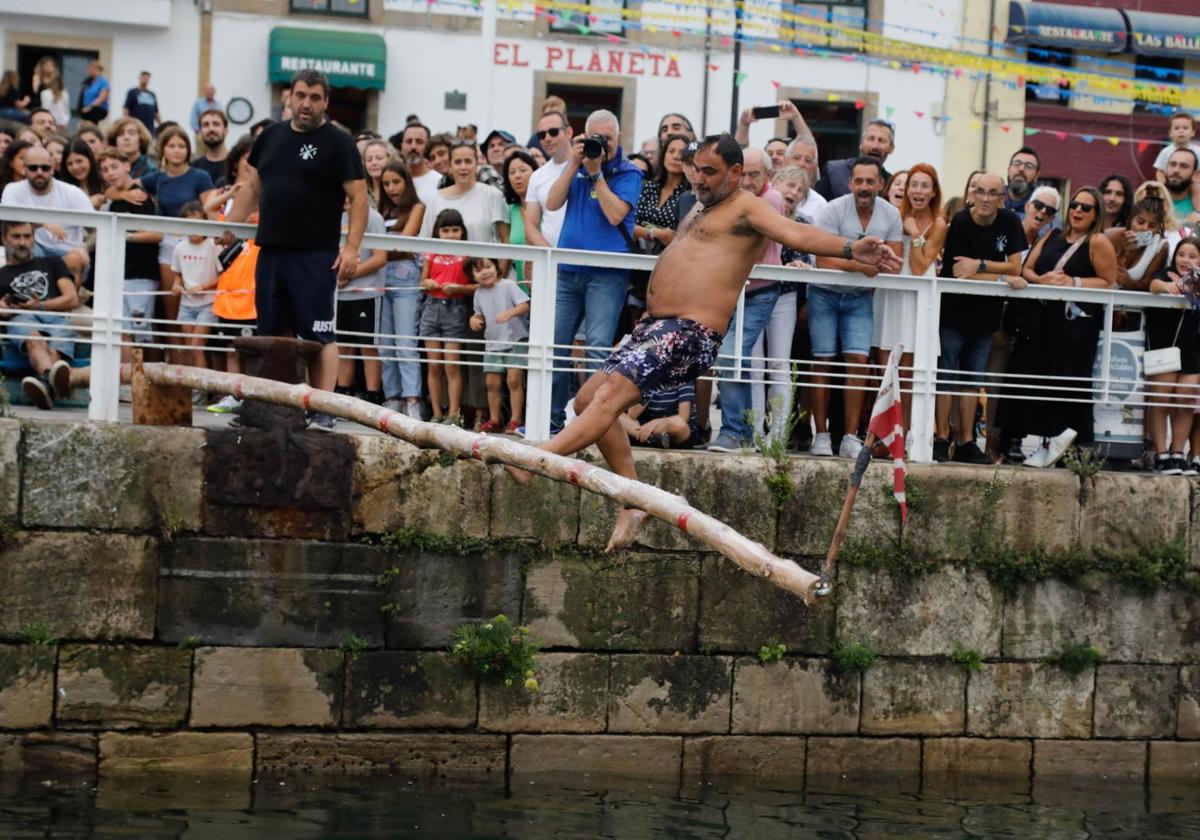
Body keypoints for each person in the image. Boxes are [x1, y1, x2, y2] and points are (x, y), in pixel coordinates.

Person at [504, 134, 900, 552]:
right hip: (655, 327)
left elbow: (795, 235)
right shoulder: (700, 206)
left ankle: (537, 460)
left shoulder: (747, 205)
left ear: (734, 173)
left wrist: (852, 248)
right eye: (697, 170)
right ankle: (632, 499)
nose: (700, 178)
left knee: (610, 398)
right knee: (587, 402)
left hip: (690, 332)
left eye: (710, 172)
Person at [225, 68, 368, 433]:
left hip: (317, 254)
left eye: (315, 97)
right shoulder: (270, 136)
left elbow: (358, 197)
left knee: (320, 334)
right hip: (270, 251)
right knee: (273, 333)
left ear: (325, 102)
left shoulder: (339, 143)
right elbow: (252, 185)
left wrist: (351, 247)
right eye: (301, 95)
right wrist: (228, 227)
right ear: (289, 97)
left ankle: (324, 409)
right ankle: (277, 405)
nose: (307, 103)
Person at [545, 109, 643, 431]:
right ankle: (552, 421)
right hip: (568, 270)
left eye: (608, 139)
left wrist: (597, 173)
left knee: (598, 348)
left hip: (607, 273)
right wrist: (575, 163)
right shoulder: (575, 167)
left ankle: (589, 423)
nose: (601, 144)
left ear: (619, 140)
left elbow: (616, 215)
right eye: (594, 138)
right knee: (556, 346)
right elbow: (552, 203)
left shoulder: (629, 173)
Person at [1015, 186, 1118, 467]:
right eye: (1074, 204)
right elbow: (1027, 268)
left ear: (1096, 213)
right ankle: (1048, 441)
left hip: (1077, 324)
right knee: (1040, 379)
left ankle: (1075, 445)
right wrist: (1042, 281)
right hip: (1044, 319)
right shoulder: (1052, 235)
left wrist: (1073, 282)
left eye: (1086, 207)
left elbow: (1109, 280)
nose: (1078, 211)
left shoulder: (1097, 241)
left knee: (1070, 381)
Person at [809, 157, 904, 458]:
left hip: (860, 297)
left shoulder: (890, 214)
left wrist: (864, 265)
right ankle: (821, 435)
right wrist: (862, 264)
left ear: (881, 184)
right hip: (824, 293)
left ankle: (850, 436)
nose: (864, 187)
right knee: (822, 361)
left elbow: (895, 264)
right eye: (858, 181)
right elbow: (822, 259)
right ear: (850, 184)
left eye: (870, 181)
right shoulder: (832, 210)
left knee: (858, 362)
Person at [934, 172, 1027, 464]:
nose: (985, 198)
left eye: (992, 193)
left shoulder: (1010, 221)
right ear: (972, 194)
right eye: (980, 191)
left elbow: (1016, 267)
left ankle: (966, 442)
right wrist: (1000, 272)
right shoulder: (961, 221)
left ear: (1002, 198)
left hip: (986, 315)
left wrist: (985, 266)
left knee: (973, 379)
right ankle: (940, 437)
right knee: (946, 375)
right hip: (953, 312)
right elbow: (959, 270)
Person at [710, 146, 785, 453]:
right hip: (731, 289)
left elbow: (755, 242)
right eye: (746, 173)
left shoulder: (772, 199)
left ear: (768, 175)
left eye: (756, 174)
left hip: (760, 290)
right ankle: (741, 433)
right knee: (731, 358)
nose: (750, 180)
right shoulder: (734, 197)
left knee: (730, 355)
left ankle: (734, 431)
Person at [874, 162, 945, 428]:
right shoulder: (893, 216)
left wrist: (915, 233)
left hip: (917, 294)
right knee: (885, 366)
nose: (917, 191)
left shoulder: (938, 224)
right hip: (891, 291)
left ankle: (907, 432)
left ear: (933, 192)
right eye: (913, 185)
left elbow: (918, 267)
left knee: (911, 369)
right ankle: (883, 432)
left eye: (924, 186)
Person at [137, 125, 215, 321]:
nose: (177, 150)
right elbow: (122, 185)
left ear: (188, 149)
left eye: (181, 145)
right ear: (163, 149)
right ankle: (175, 353)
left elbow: (211, 210)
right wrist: (122, 193)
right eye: (171, 145)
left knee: (198, 309)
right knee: (172, 312)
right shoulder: (158, 178)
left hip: (197, 245)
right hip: (169, 244)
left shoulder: (200, 176)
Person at [0, 221, 78, 409]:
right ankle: (50, 384)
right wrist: (5, 310)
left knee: (54, 348)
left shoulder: (52, 262)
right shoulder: (1, 274)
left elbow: (72, 298)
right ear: (4, 239)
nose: (23, 242)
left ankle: (44, 385)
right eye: (16, 236)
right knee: (34, 337)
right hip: (21, 316)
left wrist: (40, 305)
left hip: (55, 316)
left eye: (27, 236)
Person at [97, 147, 162, 370]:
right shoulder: (114, 200)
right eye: (105, 169)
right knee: (121, 332)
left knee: (141, 333)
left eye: (114, 166)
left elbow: (156, 234)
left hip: (141, 275)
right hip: (118, 273)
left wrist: (126, 236)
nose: (110, 173)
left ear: (127, 166)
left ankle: (147, 382)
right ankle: (126, 381)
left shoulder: (141, 198)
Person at [1144, 237, 1200, 475]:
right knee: (1161, 398)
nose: (1185, 260)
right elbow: (1153, 285)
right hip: (1165, 345)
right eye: (1181, 254)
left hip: (1193, 347)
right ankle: (1161, 453)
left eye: (1192, 255)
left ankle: (1178, 451)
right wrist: (1167, 287)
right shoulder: (1164, 274)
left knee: (1186, 396)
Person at [0, 145, 93, 281]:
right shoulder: (13, 189)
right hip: (31, 249)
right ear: (24, 169)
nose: (39, 172)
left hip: (67, 251)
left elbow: (97, 229)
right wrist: (43, 223)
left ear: (52, 169)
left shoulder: (73, 193)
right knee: (22, 248)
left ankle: (72, 300)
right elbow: (10, 223)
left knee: (75, 258)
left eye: (45, 168)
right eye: (33, 168)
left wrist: (84, 247)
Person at [377, 161, 424, 418]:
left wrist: (379, 250)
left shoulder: (416, 207)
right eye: (386, 183)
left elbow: (404, 242)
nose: (392, 188)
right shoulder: (382, 210)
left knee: (405, 343)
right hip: (381, 276)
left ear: (406, 182)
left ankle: (412, 400)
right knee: (385, 344)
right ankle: (392, 397)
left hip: (405, 277)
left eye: (396, 182)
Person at [419, 209, 474, 424]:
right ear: (437, 232)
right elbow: (423, 281)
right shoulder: (431, 252)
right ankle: (436, 412)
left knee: (452, 365)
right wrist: (429, 283)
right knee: (434, 365)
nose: (450, 235)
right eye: (445, 230)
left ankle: (453, 413)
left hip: (456, 308)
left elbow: (474, 286)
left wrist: (459, 288)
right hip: (431, 307)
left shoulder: (467, 253)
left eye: (455, 230)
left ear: (462, 231)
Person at [467, 255, 529, 434]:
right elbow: (478, 315)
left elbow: (525, 305)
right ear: (472, 275)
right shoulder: (478, 293)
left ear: (496, 267)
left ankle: (516, 420)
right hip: (493, 342)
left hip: (515, 339)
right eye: (478, 270)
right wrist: (474, 320)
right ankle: (495, 420)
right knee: (492, 383)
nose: (485, 272)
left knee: (514, 380)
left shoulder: (508, 285)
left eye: (488, 267)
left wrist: (509, 313)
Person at [335, 195, 388, 404]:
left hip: (367, 291)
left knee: (369, 346)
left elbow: (379, 257)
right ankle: (342, 395)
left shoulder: (374, 218)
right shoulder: (338, 217)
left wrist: (349, 274)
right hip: (341, 292)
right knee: (343, 346)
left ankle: (373, 396)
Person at [170, 201, 221, 388]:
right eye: (190, 224)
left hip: (208, 303)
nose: (195, 230)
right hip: (186, 304)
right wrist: (176, 285)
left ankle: (200, 390)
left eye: (198, 224)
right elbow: (177, 275)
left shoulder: (213, 246)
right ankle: (194, 389)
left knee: (196, 346)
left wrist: (204, 286)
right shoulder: (180, 247)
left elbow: (223, 276)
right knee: (190, 348)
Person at [523, 109, 573, 249]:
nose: (547, 138)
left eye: (553, 132)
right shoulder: (537, 176)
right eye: (541, 134)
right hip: (550, 261)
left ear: (569, 132)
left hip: (584, 259)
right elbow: (530, 226)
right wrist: (550, 256)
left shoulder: (588, 165)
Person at [633, 134, 689, 252]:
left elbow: (679, 237)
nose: (676, 157)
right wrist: (657, 233)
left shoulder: (688, 195)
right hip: (637, 255)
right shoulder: (648, 187)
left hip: (670, 258)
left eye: (682, 153)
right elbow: (630, 225)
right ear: (663, 156)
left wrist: (643, 230)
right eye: (671, 151)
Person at [815, 120, 895, 200]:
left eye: (881, 141)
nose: (875, 146)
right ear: (861, 144)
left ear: (891, 148)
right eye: (870, 139)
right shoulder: (834, 171)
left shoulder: (893, 184)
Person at [1107, 196, 1168, 292]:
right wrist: (1122, 252)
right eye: (1140, 222)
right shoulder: (1112, 236)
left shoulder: (1160, 247)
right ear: (1131, 219)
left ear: (1158, 229)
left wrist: (1129, 282)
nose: (1144, 228)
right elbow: (1103, 273)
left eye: (1152, 226)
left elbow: (1148, 287)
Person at [502, 150, 537, 291]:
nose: (517, 176)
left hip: (550, 288)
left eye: (523, 170)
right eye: (512, 172)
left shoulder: (548, 207)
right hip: (521, 292)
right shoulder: (510, 210)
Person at [389, 122, 441, 205]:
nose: (413, 146)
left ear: (427, 146)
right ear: (402, 147)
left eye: (419, 142)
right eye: (409, 141)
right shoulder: (391, 181)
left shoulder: (439, 182)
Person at [1154, 112, 1200, 187]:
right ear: (1170, 133)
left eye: (1185, 128)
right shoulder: (1165, 151)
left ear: (1193, 132)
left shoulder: (1198, 152)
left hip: (1191, 186)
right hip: (1170, 185)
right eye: (1176, 128)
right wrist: (1162, 183)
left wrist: (1195, 183)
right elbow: (1160, 171)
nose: (1181, 131)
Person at [62, 138, 105, 209]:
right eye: (70, 164)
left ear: (90, 159)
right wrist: (88, 203)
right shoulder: (63, 190)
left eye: (79, 161)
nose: (75, 167)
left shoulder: (105, 183)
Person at [191, 109, 230, 186]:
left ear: (226, 130)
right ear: (200, 132)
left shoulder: (238, 164)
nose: (211, 129)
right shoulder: (193, 168)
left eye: (216, 124)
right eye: (206, 125)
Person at [1162, 148, 1200, 224]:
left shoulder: (1197, 202)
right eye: (1172, 164)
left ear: (1195, 174)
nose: (1176, 170)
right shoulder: (1151, 198)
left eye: (1184, 166)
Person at [1003, 146, 1040, 217]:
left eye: (1029, 166)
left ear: (1036, 175)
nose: (1021, 169)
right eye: (1017, 164)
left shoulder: (1043, 211)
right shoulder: (993, 201)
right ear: (1008, 170)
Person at [35, 61, 69, 129]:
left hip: (50, 122)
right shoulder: (64, 93)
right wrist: (65, 122)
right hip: (60, 123)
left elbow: (44, 109)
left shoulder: (44, 93)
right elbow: (66, 111)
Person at [361, 138, 391, 207]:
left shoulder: (398, 189)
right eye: (369, 160)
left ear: (389, 159)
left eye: (379, 158)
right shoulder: (361, 192)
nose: (374, 163)